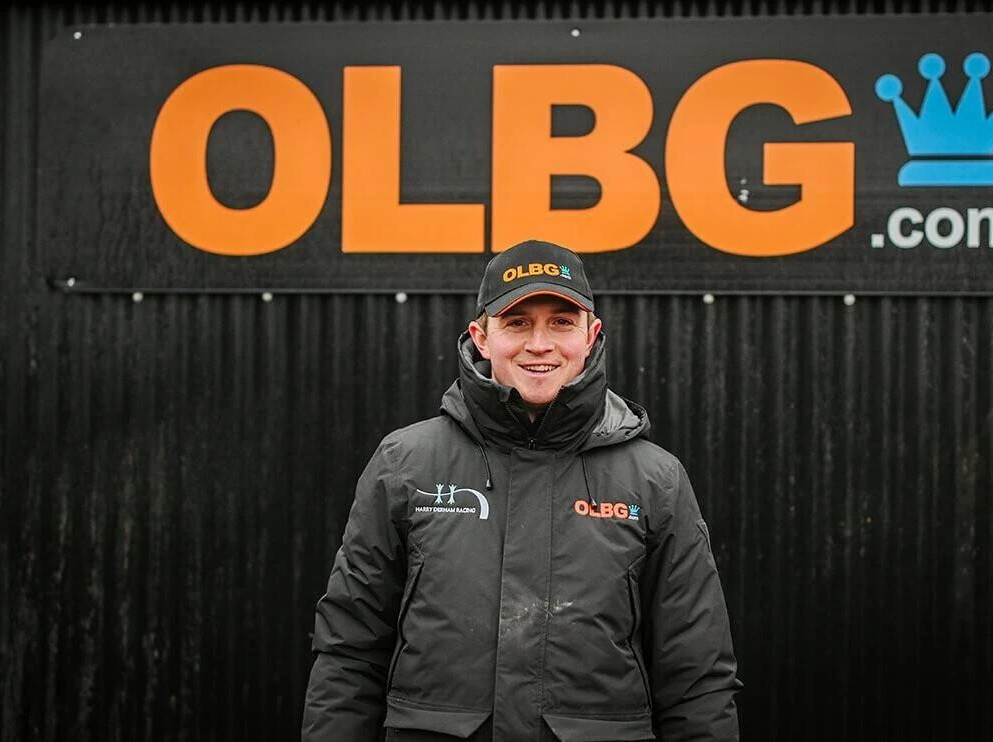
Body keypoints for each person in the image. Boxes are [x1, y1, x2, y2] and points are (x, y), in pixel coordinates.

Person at [302, 240, 742, 741]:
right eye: (516, 322)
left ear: (592, 335)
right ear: (481, 337)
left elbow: (697, 678)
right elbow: (349, 653)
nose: (539, 343)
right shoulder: (405, 465)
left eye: (561, 321)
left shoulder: (655, 480)